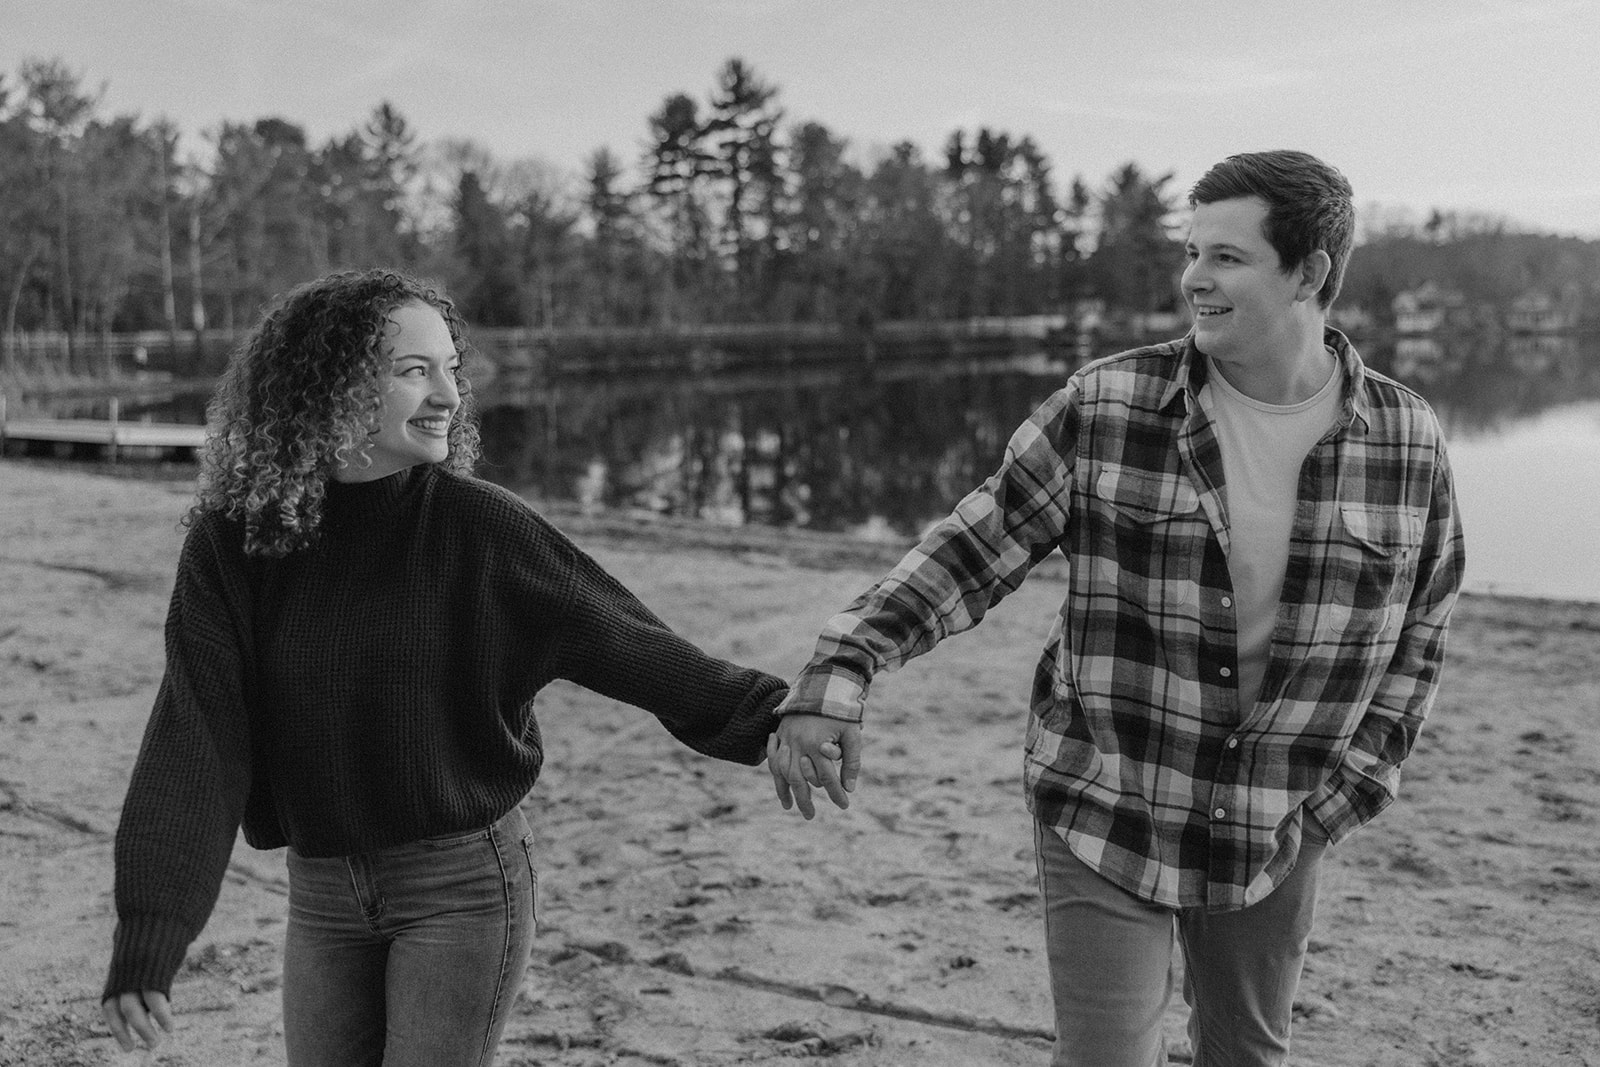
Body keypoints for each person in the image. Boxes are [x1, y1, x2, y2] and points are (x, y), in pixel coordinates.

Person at [767, 150, 1465, 1066]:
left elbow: (1424, 628)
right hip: (1108, 800)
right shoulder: (1108, 404)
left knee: (1248, 1056)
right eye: (1191, 252)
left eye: (1226, 257)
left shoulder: (1407, 438)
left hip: (1280, 819)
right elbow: (972, 548)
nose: (1194, 279)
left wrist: (1346, 793)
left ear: (1311, 273)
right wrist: (842, 668)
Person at [101, 268, 788, 1065]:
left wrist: (775, 715)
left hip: (462, 889)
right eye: (413, 370)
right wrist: (152, 927)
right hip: (321, 892)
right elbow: (197, 738)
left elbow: (631, 644)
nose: (449, 397)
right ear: (323, 386)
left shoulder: (479, 529)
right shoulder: (235, 544)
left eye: (450, 369)